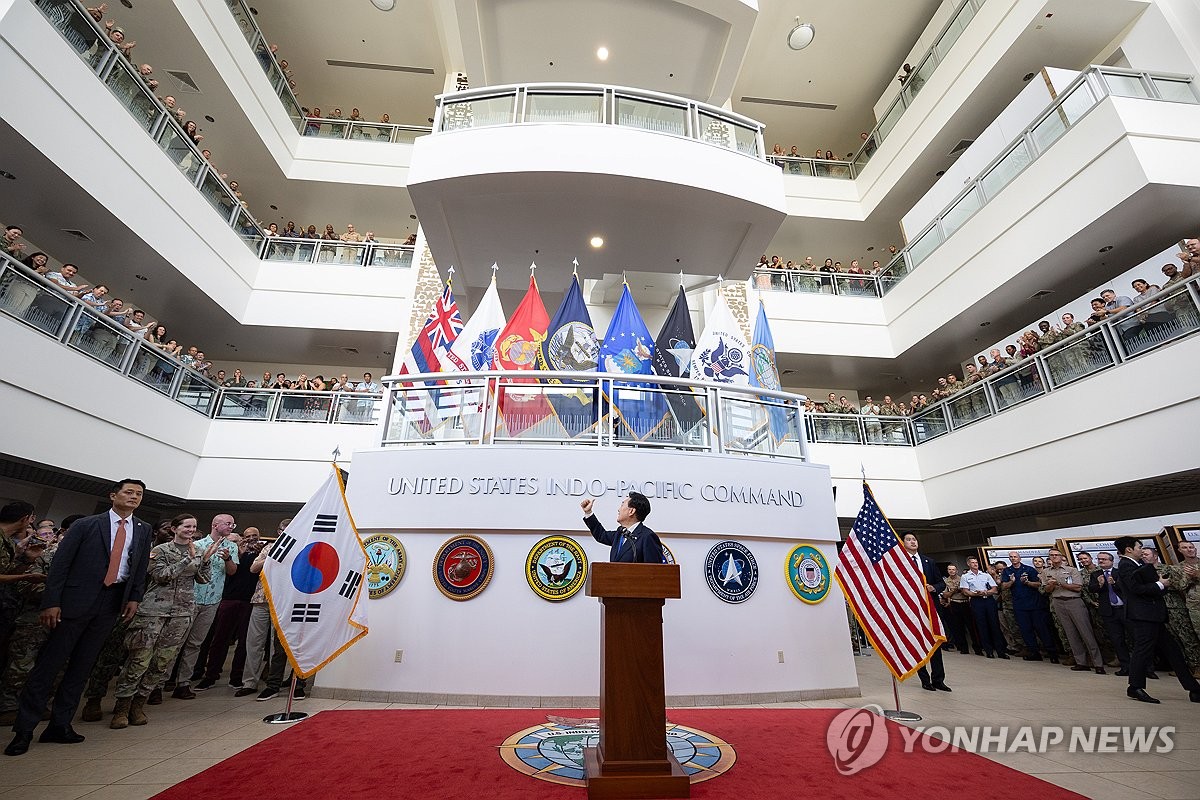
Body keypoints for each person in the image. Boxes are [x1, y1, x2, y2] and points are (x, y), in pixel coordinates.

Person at [5, 479, 152, 757]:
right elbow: (61, 565)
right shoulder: (87, 525)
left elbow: (139, 566)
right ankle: (24, 729)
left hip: (111, 603)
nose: (134, 497)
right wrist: (52, 602)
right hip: (75, 602)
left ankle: (61, 725)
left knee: (82, 667)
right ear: (113, 495)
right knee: (49, 666)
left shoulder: (142, 529)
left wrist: (134, 597)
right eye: (129, 492)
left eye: (139, 494)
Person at [109, 514, 214, 729]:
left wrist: (205, 560)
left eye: (193, 526)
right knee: (140, 659)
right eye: (186, 526)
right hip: (153, 611)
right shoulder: (161, 550)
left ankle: (139, 704)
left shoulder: (200, 552)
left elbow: (204, 579)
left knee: (162, 661)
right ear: (175, 528)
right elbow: (160, 576)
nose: (190, 530)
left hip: (182, 612)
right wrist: (187, 559)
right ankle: (122, 707)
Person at [1114, 536, 1200, 704]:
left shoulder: (1137, 565)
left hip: (1152, 615)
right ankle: (1135, 687)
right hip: (1143, 616)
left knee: (1173, 650)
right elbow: (1135, 589)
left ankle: (1193, 688)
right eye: (1139, 547)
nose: (1141, 550)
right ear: (1129, 549)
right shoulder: (1126, 566)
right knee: (1142, 651)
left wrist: (1159, 585)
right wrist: (1160, 584)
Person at [1040, 550, 1105, 673]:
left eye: (1056, 555)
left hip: (1074, 601)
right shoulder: (1046, 572)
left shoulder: (1071, 570)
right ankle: (1081, 662)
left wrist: (1059, 583)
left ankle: (1098, 664)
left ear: (1061, 557)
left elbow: (1077, 587)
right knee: (1070, 633)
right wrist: (1052, 585)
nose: (1054, 557)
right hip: (1058, 602)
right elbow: (1046, 590)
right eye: (1051, 555)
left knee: (1086, 632)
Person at [902, 533, 950, 691]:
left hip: (931, 608)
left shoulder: (929, 561)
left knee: (935, 643)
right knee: (918, 643)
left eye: (914, 539)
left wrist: (933, 588)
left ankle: (938, 679)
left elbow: (941, 583)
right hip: (913, 609)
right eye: (908, 540)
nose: (912, 542)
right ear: (903, 544)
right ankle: (924, 679)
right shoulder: (900, 563)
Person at [1001, 551, 1059, 663]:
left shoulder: (1029, 569)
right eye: (1011, 557)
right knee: (1025, 630)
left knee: (1042, 629)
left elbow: (1039, 584)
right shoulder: (1007, 571)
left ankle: (1052, 653)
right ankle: (1034, 652)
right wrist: (1011, 582)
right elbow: (1004, 586)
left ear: (1019, 558)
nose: (1013, 559)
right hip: (1019, 606)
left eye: (1015, 557)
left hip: (1034, 605)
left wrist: (1027, 582)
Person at [580, 492, 664, 564]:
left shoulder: (648, 537)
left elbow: (654, 573)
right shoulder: (620, 533)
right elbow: (601, 535)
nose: (618, 509)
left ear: (631, 511)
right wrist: (588, 512)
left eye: (622, 504)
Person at [1090, 551, 1132, 676]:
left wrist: (1115, 583)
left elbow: (1128, 588)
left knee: (1135, 638)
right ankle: (1126, 666)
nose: (1101, 561)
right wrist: (1100, 584)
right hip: (1109, 612)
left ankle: (1147, 668)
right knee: (1117, 640)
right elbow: (1091, 589)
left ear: (1111, 561)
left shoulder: (1120, 572)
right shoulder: (1096, 574)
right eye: (1099, 559)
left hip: (1125, 610)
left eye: (1104, 559)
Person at [959, 556, 1006, 659]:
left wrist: (985, 592)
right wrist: (976, 594)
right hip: (977, 601)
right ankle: (988, 650)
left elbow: (994, 589)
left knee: (994, 625)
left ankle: (1000, 651)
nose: (975, 564)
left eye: (976, 562)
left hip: (988, 600)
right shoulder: (965, 577)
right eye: (973, 563)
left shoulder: (985, 575)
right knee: (982, 626)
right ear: (968, 564)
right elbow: (965, 591)